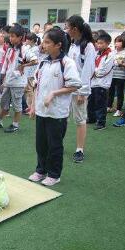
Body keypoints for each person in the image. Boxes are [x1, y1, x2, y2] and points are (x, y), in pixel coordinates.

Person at [28, 27, 82, 187]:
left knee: (54, 145)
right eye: (43, 41)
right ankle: (40, 170)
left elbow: (74, 85)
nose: (43, 45)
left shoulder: (67, 63)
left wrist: (54, 93)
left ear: (58, 45)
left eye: (47, 42)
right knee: (41, 144)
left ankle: (54, 174)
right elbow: (36, 85)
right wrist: (32, 106)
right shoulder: (43, 62)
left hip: (57, 113)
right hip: (41, 111)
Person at [66, 15, 95, 163]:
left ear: (75, 29)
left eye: (68, 27)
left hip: (79, 90)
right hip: (68, 88)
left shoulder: (88, 46)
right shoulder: (73, 44)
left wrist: (82, 92)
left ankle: (79, 149)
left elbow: (87, 71)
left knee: (80, 119)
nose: (66, 30)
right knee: (63, 116)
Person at [0, 24, 27, 133]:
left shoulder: (24, 49)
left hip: (18, 82)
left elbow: (33, 61)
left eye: (13, 36)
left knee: (17, 104)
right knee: (3, 102)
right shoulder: (10, 49)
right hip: (8, 81)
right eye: (10, 36)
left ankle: (15, 124)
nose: (11, 38)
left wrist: (20, 70)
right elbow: (5, 64)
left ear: (20, 37)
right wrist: (3, 77)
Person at [88, 31, 114, 130]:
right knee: (91, 102)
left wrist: (93, 71)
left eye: (101, 43)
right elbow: (91, 65)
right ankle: (91, 118)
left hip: (102, 83)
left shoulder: (110, 55)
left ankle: (101, 123)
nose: (98, 45)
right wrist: (93, 71)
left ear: (107, 44)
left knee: (100, 103)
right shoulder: (97, 54)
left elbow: (103, 71)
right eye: (97, 43)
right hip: (93, 82)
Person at [108, 35, 125, 116]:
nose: (116, 43)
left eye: (119, 41)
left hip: (121, 76)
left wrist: (122, 64)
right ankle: (109, 106)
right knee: (110, 92)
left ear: (124, 43)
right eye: (116, 41)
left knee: (120, 93)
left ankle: (119, 110)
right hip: (111, 75)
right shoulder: (112, 52)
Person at [22, 32, 40, 113]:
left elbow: (35, 61)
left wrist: (25, 65)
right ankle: (29, 106)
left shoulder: (35, 49)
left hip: (32, 71)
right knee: (27, 89)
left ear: (32, 40)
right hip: (28, 71)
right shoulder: (30, 47)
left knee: (29, 90)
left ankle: (31, 107)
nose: (26, 41)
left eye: (28, 39)